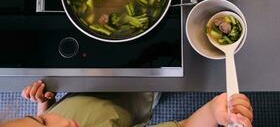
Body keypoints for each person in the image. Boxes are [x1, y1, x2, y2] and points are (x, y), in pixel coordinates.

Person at [0, 80, 253, 127]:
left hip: (93, 89)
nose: (62, 123)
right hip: (136, 101)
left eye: (42, 123)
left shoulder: (56, 115)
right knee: (151, 86)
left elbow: (49, 116)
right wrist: (212, 111)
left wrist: (44, 106)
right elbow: (185, 126)